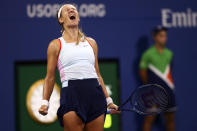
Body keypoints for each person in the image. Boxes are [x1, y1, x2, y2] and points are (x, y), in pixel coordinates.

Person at [38, 4, 119, 131]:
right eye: (67, 9)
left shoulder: (92, 43)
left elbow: (97, 74)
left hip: (95, 95)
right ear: (61, 19)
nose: (71, 10)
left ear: (78, 17)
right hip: (72, 95)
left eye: (74, 9)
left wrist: (109, 101)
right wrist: (45, 102)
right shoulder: (55, 45)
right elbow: (50, 77)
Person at [139, 26, 176, 131]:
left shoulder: (169, 54)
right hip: (154, 93)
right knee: (149, 120)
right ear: (154, 37)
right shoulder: (147, 54)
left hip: (169, 90)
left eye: (165, 36)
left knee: (170, 120)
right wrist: (152, 87)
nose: (164, 38)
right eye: (161, 35)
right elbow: (142, 73)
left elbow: (168, 72)